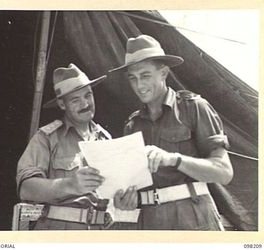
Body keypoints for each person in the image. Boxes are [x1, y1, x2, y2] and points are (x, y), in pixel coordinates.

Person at [110, 34, 233, 230]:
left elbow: (224, 173)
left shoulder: (194, 108)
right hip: (149, 221)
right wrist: (126, 200)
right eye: (133, 78)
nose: (139, 86)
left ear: (164, 73)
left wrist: (174, 159)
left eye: (145, 75)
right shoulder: (132, 125)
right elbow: (132, 186)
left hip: (192, 217)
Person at [16, 63, 112, 230]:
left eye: (88, 95)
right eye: (75, 100)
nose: (85, 104)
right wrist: (70, 185)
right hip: (59, 231)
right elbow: (26, 188)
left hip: (99, 233)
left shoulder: (106, 139)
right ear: (62, 104)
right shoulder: (46, 138)